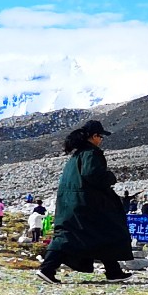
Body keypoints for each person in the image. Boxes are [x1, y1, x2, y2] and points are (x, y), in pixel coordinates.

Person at [38, 121, 131, 284]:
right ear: (94, 136)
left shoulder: (77, 155)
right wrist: (110, 177)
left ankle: (113, 271)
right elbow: (92, 174)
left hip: (71, 201)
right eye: (100, 136)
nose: (101, 139)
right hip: (85, 203)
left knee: (96, 233)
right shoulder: (91, 153)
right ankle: (47, 268)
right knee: (94, 232)